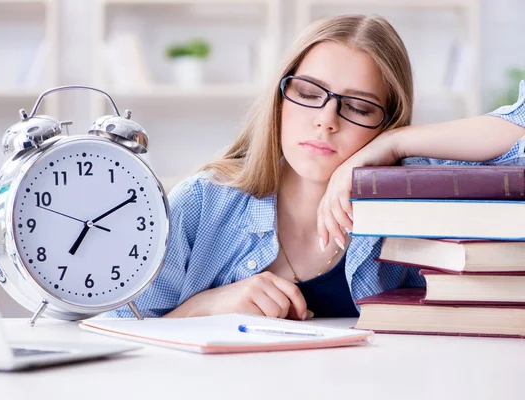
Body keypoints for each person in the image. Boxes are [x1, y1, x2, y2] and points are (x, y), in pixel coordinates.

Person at [106, 14, 525, 320]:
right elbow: (117, 334)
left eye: (360, 107)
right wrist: (207, 306)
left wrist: (398, 141)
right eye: (308, 93)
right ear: (280, 98)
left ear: (386, 121)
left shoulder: (413, 194)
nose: (327, 119)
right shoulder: (202, 203)